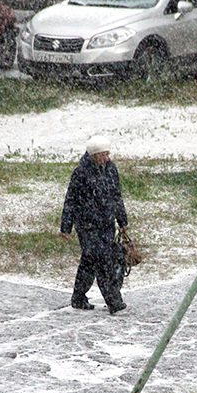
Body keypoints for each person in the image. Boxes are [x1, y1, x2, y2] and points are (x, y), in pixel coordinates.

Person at [60, 135, 129, 314]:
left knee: (89, 262)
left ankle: (78, 297)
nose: (106, 158)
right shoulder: (81, 173)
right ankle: (114, 301)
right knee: (103, 262)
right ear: (93, 155)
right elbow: (71, 200)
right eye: (102, 155)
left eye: (108, 154)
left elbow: (116, 196)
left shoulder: (111, 169)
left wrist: (122, 221)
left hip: (107, 224)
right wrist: (66, 227)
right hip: (87, 226)